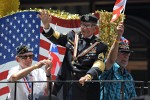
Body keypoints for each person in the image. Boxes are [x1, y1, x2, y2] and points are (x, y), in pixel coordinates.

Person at [39, 10, 108, 100]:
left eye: (87, 26)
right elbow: (57, 37)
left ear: (95, 28)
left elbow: (99, 63)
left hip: (83, 87)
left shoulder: (100, 46)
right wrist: (46, 26)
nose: (84, 28)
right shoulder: (72, 36)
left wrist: (89, 75)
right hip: (64, 84)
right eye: (82, 25)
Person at [99, 22, 137, 100]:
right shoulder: (109, 69)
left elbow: (133, 97)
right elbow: (111, 60)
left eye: (128, 53)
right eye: (123, 52)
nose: (126, 56)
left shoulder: (128, 76)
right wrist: (118, 36)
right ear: (116, 53)